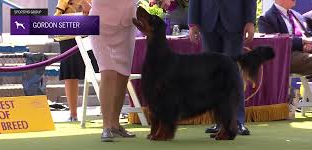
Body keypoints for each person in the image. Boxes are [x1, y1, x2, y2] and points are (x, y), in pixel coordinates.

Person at [89, 0, 171, 142]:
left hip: (126, 25)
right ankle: (106, 126)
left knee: (122, 75)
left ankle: (115, 124)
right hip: (100, 24)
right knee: (107, 72)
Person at [188, 0, 255, 136]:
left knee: (233, 74)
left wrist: (250, 21)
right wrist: (193, 23)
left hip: (235, 22)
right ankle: (219, 121)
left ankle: (237, 120)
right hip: (207, 22)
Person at [54, 0, 99, 122]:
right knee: (70, 71)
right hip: (68, 23)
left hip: (93, 20)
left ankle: (106, 110)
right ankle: (73, 113)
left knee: (100, 70)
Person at [258, 0, 312, 77]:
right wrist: (302, 42)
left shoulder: (297, 15)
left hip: (307, 52)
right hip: (286, 56)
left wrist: (309, 44)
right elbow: (274, 43)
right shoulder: (266, 18)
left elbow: (308, 35)